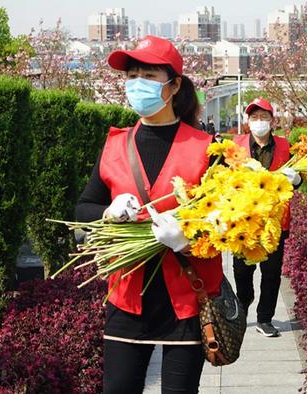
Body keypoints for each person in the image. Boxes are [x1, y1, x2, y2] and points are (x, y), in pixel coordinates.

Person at [75, 35, 222, 394]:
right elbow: (84, 208)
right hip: (127, 297)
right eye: (131, 75)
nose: (136, 83)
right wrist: (108, 213)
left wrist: (187, 240)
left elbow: (227, 222)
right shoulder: (115, 145)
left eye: (148, 75)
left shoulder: (207, 149)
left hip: (187, 301)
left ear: (173, 86)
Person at [232, 98, 302, 337]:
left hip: (275, 221)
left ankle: (265, 318)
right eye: (254, 118)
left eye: (263, 117)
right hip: (244, 220)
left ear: (272, 121)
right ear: (247, 121)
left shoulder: (284, 145)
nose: (258, 122)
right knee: (241, 271)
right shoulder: (236, 145)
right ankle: (243, 305)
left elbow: (299, 180)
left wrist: (297, 179)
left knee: (271, 273)